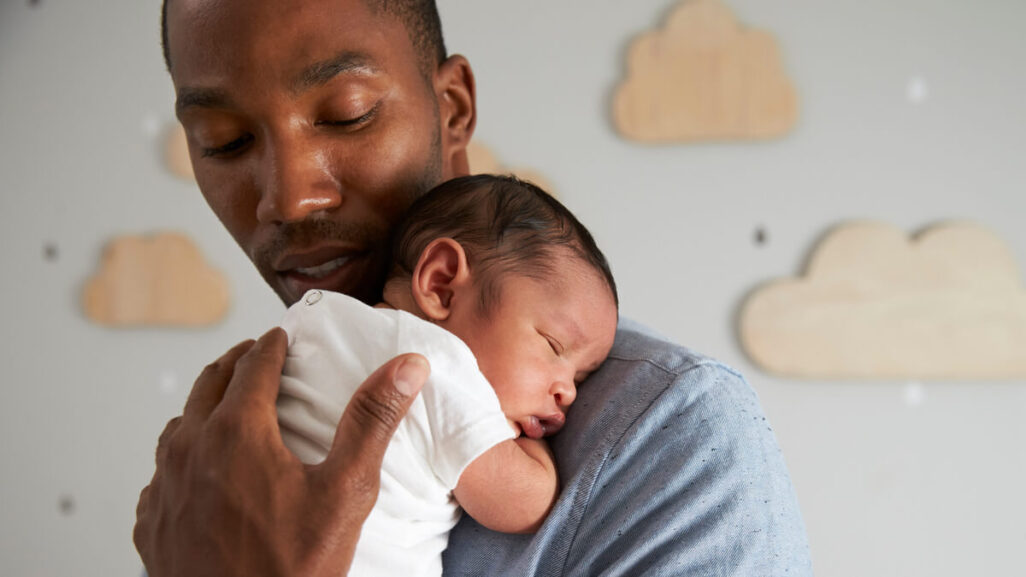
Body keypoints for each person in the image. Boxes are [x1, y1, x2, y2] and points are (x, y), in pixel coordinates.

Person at [134, 0, 815, 575]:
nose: (288, 198)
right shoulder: (224, 442)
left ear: (453, 109)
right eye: (223, 141)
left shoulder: (671, 435)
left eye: (346, 113)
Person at [276, 174, 619, 576]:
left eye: (579, 378)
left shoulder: (316, 319)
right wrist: (529, 446)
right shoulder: (440, 364)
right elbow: (524, 505)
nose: (568, 392)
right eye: (553, 345)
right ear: (441, 285)